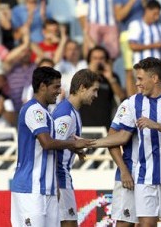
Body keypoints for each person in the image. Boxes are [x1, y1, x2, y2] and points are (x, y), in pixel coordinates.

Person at [95, 57, 161, 226]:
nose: (137, 83)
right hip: (143, 174)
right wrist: (88, 143)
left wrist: (157, 126)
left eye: (140, 79)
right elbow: (121, 136)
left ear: (154, 78)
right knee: (145, 224)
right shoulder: (133, 102)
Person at [10, 67, 95, 227]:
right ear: (42, 86)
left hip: (48, 188)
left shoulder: (47, 113)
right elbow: (47, 143)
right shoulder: (33, 109)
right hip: (31, 188)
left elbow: (52, 144)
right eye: (56, 87)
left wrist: (71, 146)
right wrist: (73, 143)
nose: (60, 91)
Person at [52, 69, 100, 227]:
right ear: (82, 88)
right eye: (94, 90)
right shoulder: (66, 114)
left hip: (62, 176)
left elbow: (61, 141)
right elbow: (52, 147)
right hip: (59, 176)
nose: (96, 95)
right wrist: (56, 184)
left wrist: (74, 148)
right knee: (69, 223)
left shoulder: (72, 110)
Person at [80, 46, 125, 131]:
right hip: (85, 126)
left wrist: (110, 78)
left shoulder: (112, 76)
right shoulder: (83, 75)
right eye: (95, 58)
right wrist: (91, 73)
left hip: (104, 126)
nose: (98, 61)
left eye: (101, 58)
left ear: (106, 60)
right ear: (89, 60)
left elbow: (121, 96)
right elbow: (79, 93)